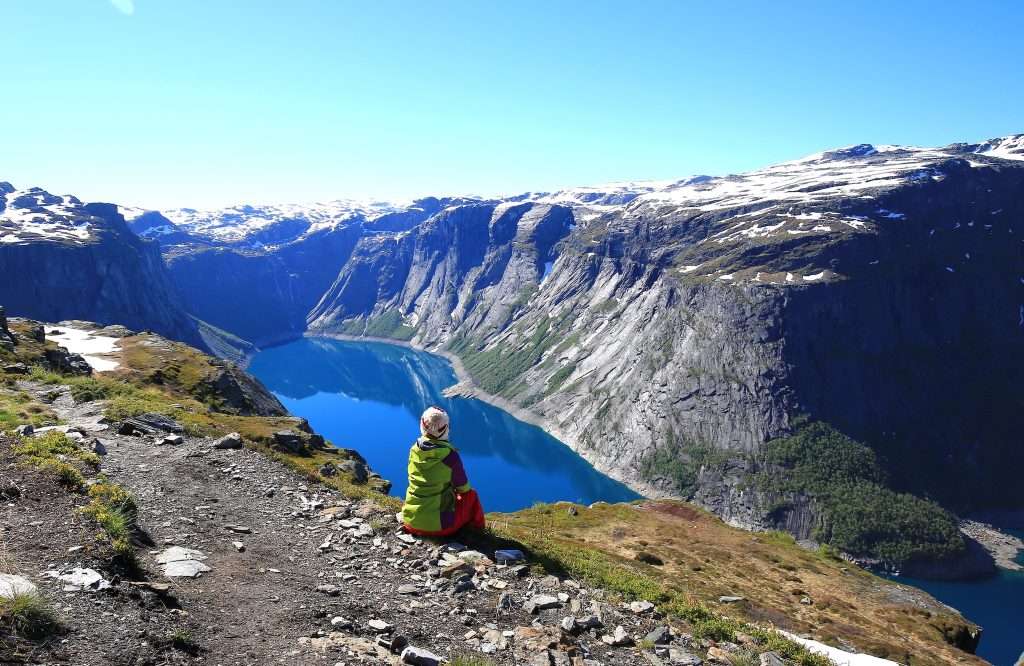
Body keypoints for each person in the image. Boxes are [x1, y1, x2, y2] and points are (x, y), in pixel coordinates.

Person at [401, 406, 485, 536]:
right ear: (446, 429)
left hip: (410, 522)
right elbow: (463, 488)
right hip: (440, 527)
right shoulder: (449, 456)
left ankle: (417, 520)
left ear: (422, 425)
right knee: (471, 495)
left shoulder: (414, 450)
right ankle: (479, 531)